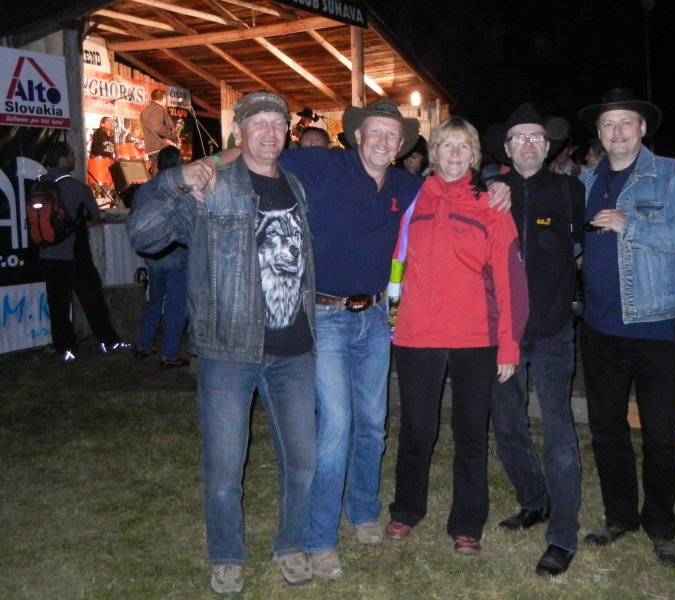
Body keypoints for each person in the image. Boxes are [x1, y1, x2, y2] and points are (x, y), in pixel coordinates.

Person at [201, 97, 511, 580]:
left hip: (376, 320)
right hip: (326, 316)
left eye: (393, 135)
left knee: (372, 423)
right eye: (375, 132)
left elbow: (457, 184)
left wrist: (495, 184)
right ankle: (320, 538)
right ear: (358, 136)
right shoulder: (322, 164)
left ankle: (364, 510)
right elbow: (260, 150)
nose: (383, 141)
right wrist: (207, 163)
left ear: (402, 145)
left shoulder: (410, 186)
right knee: (336, 426)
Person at [127, 91, 318, 595]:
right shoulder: (212, 184)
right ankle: (227, 555)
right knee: (224, 468)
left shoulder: (296, 185)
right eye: (259, 122)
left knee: (303, 461)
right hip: (228, 350)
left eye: (278, 123)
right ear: (238, 131)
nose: (270, 132)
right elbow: (143, 234)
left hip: (294, 350)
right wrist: (177, 179)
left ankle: (291, 544)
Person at [576, 88, 675, 567]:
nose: (616, 131)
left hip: (653, 326)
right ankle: (619, 517)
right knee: (606, 429)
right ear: (598, 133)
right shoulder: (587, 180)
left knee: (659, 434)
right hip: (598, 327)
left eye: (625, 122)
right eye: (608, 124)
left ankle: (660, 524)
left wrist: (629, 225)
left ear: (642, 128)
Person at [384, 116, 529, 557]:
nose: (454, 154)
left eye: (463, 147)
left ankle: (467, 523)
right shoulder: (412, 197)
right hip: (416, 334)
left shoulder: (490, 204)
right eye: (447, 145)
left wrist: (509, 344)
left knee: (470, 433)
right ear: (433, 152)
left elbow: (509, 282)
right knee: (416, 429)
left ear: (474, 156)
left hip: (474, 337)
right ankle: (406, 510)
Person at [481, 102, 585, 577]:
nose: (527, 144)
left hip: (553, 333)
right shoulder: (487, 191)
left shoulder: (568, 191)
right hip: (502, 332)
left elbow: (580, 248)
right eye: (518, 137)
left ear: (548, 147)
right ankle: (534, 500)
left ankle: (563, 536)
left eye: (536, 137)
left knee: (558, 432)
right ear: (506, 148)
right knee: (507, 425)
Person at [37, 142, 132, 363]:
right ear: (63, 160)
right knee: (93, 300)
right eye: (71, 156)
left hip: (48, 255)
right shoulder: (77, 187)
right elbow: (94, 216)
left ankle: (64, 347)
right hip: (75, 254)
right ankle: (109, 341)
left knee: (58, 305)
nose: (75, 159)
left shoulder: (39, 185)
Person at [132, 145, 190, 369]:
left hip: (153, 255)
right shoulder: (181, 189)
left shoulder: (145, 189)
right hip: (176, 254)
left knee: (155, 300)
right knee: (176, 306)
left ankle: (143, 344)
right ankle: (169, 354)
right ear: (179, 163)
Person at [140, 89, 179, 176]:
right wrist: (173, 137)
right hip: (160, 147)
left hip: (152, 148)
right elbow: (158, 128)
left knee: (157, 174)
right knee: (165, 175)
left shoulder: (145, 111)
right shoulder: (157, 109)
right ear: (164, 97)